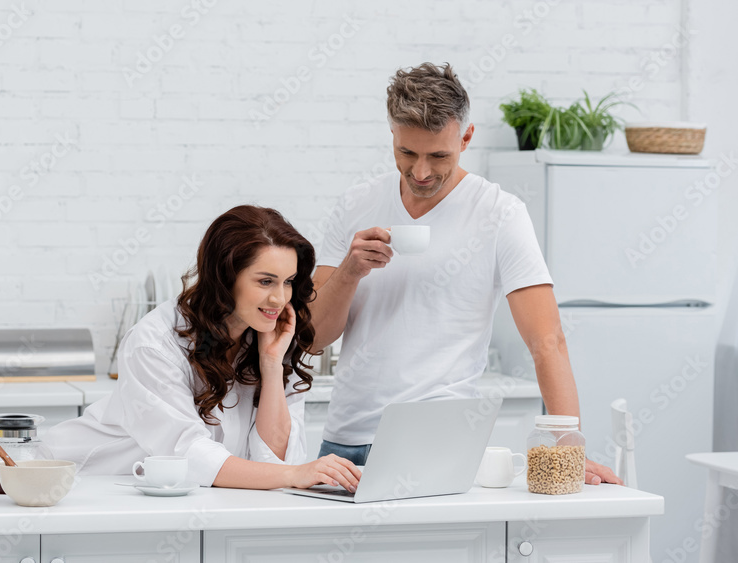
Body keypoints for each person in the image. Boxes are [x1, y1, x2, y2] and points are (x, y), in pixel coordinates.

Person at [310, 63, 621, 485]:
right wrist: (350, 270)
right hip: (343, 444)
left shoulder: (499, 214)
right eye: (407, 153)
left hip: (436, 441)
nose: (421, 172)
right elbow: (311, 338)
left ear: (466, 137)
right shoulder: (356, 204)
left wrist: (567, 445)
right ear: (393, 137)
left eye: (438, 155)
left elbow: (547, 341)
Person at [46, 205, 361, 491]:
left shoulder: (271, 337)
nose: (280, 299)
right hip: (77, 484)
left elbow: (275, 460)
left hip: (179, 498)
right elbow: (189, 457)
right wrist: (295, 475)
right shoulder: (154, 343)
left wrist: (271, 362)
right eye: (266, 282)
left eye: (288, 281)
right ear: (226, 277)